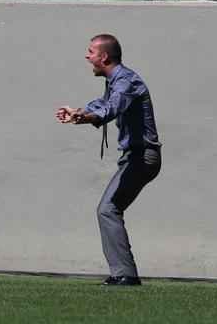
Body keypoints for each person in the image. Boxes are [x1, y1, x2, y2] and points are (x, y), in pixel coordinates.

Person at [57, 34, 162, 287]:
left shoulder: (126, 81)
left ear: (104, 57)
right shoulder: (116, 81)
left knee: (108, 209)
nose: (87, 56)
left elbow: (112, 108)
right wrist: (80, 112)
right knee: (109, 209)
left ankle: (126, 275)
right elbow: (104, 103)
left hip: (142, 157)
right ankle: (123, 273)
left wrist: (86, 118)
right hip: (135, 157)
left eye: (91, 52)